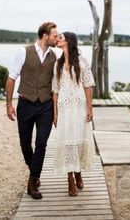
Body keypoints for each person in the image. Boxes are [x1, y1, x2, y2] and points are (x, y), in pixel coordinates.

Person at [6, 22, 58, 199]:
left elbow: (57, 83)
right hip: (26, 104)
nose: (56, 38)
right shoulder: (23, 52)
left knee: (42, 143)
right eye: (54, 36)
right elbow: (12, 78)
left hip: (46, 105)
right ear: (45, 36)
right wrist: (8, 104)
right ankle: (33, 169)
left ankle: (33, 179)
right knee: (25, 144)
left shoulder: (54, 57)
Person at [52, 31, 95, 196]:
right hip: (64, 109)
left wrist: (89, 108)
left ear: (69, 41)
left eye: (61, 38)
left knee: (78, 138)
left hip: (79, 108)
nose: (58, 39)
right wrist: (55, 113)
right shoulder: (57, 64)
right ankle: (69, 179)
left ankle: (78, 172)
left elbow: (88, 85)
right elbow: (55, 90)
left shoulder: (82, 62)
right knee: (66, 139)